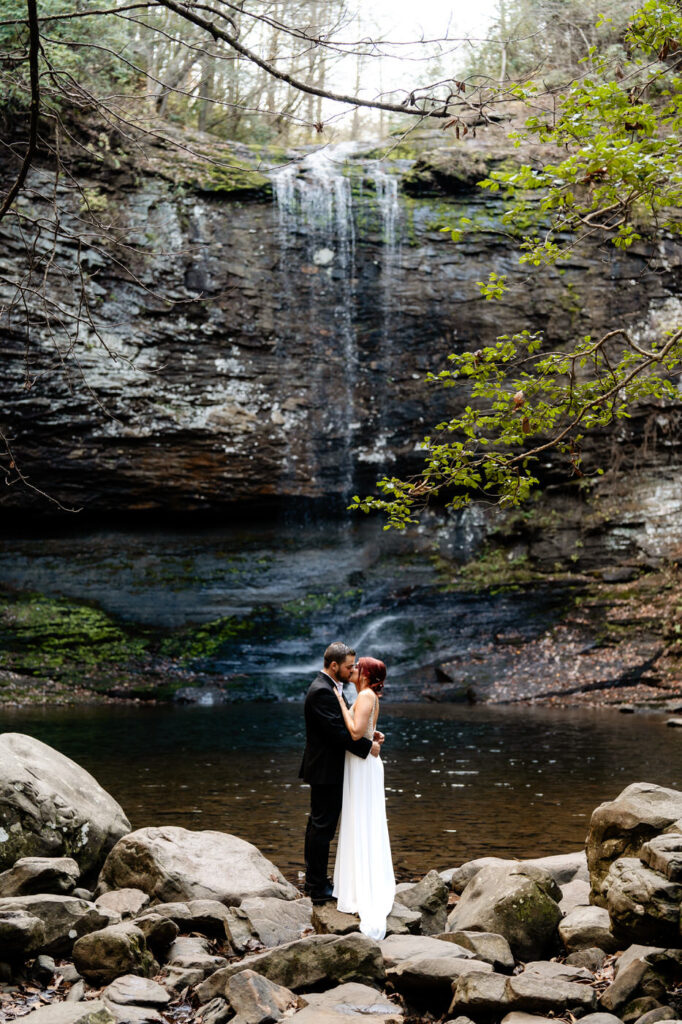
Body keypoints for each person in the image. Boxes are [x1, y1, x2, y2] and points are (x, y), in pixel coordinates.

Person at [299, 641, 383, 904]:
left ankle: (317, 880)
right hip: (326, 768)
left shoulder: (331, 688)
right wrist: (368, 746)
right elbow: (337, 733)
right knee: (322, 826)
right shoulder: (321, 691)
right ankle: (316, 885)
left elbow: (346, 727)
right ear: (333, 666)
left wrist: (370, 735)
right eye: (348, 667)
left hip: (330, 767)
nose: (352, 670)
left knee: (320, 825)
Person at [332, 656, 395, 940]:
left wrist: (342, 706)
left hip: (362, 765)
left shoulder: (365, 695)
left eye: (358, 667)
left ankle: (363, 888)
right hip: (360, 763)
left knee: (362, 820)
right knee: (360, 819)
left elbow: (356, 732)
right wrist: (374, 738)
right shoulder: (366, 695)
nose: (353, 669)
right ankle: (358, 883)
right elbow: (367, 731)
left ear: (367, 675)